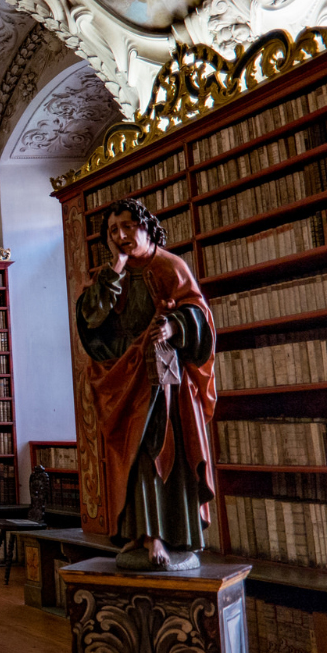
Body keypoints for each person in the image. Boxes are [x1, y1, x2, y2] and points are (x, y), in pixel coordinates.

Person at [76, 198, 216, 570]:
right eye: (112, 232)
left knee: (161, 452)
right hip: (125, 378)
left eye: (127, 227)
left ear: (146, 227)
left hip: (164, 382)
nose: (120, 236)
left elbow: (199, 316)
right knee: (134, 458)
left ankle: (169, 537)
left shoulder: (171, 266)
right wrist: (116, 270)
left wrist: (174, 326)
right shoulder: (110, 274)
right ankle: (141, 534)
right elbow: (91, 319)